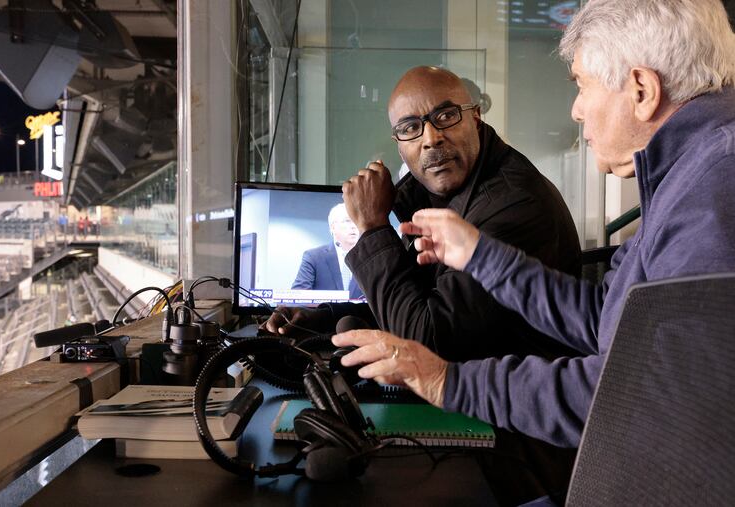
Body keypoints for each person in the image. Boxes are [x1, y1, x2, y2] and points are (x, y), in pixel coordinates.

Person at [333, 0, 735, 498]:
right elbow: (605, 318)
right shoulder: (691, 176)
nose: (576, 109)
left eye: (581, 85)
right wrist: (481, 254)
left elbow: (634, 396)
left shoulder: (715, 198)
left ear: (642, 90)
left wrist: (446, 381)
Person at [264, 66, 582, 365]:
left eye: (446, 115)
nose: (430, 138)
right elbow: (415, 301)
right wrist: (324, 317)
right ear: (399, 145)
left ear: (476, 118)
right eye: (411, 128)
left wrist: (373, 229)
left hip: (513, 411)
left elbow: (426, 340)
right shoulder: (439, 192)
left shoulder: (512, 205)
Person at [291, 203, 364, 299]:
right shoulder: (314, 257)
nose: (354, 226)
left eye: (356, 221)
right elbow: (298, 295)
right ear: (333, 227)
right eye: (347, 221)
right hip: (323, 313)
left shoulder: (371, 258)